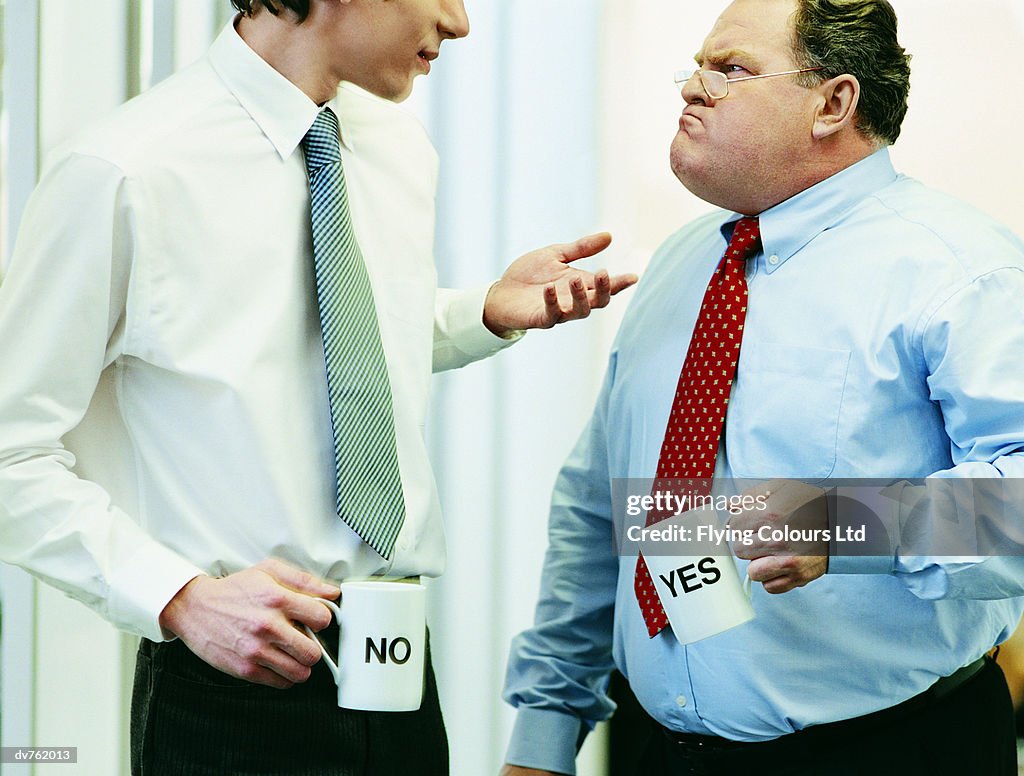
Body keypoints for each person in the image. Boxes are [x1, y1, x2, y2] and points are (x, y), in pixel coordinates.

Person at [0, 0, 638, 774]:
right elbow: (11, 455)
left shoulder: (396, 147)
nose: (462, 22)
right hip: (231, 684)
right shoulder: (126, 168)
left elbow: (339, 347)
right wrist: (179, 597)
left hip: (396, 665)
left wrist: (481, 313)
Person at [501, 0, 1024, 774]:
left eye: (732, 69)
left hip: (886, 752)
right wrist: (545, 731)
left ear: (833, 102)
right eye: (699, 65)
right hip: (657, 750)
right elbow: (596, 509)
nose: (693, 88)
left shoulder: (959, 270)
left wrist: (844, 523)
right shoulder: (681, 265)